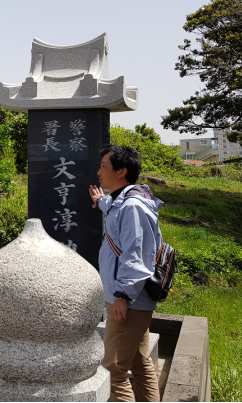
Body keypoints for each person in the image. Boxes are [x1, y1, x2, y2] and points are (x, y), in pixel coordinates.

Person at [88, 145, 162, 402]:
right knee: (141, 365)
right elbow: (117, 210)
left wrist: (122, 296)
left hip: (128, 302)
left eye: (104, 167)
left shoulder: (132, 207)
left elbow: (136, 255)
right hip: (133, 301)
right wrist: (101, 202)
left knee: (112, 370)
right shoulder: (126, 202)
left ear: (121, 171)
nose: (98, 172)